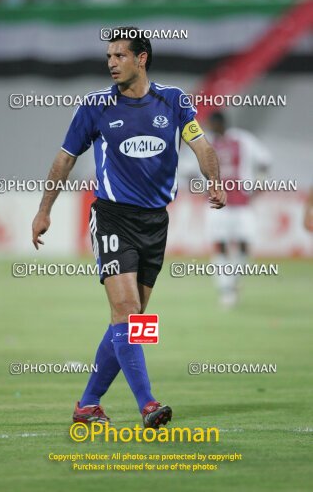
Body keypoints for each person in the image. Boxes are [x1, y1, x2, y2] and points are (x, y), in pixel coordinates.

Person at [32, 26, 226, 428]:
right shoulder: (95, 106)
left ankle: (87, 404)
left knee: (132, 322)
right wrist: (44, 209)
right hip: (113, 216)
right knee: (126, 310)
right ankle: (148, 404)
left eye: (119, 56)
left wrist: (215, 182)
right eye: (108, 57)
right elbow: (65, 157)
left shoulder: (173, 101)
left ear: (142, 59)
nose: (111, 64)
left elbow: (202, 145)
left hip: (156, 221)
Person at [206, 111, 271, 307]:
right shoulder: (206, 143)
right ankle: (225, 288)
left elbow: (265, 160)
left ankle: (233, 279)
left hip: (242, 203)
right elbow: (189, 169)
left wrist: (259, 184)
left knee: (244, 244)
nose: (210, 128)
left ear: (221, 124)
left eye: (212, 124)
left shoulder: (242, 139)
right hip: (217, 205)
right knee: (220, 244)